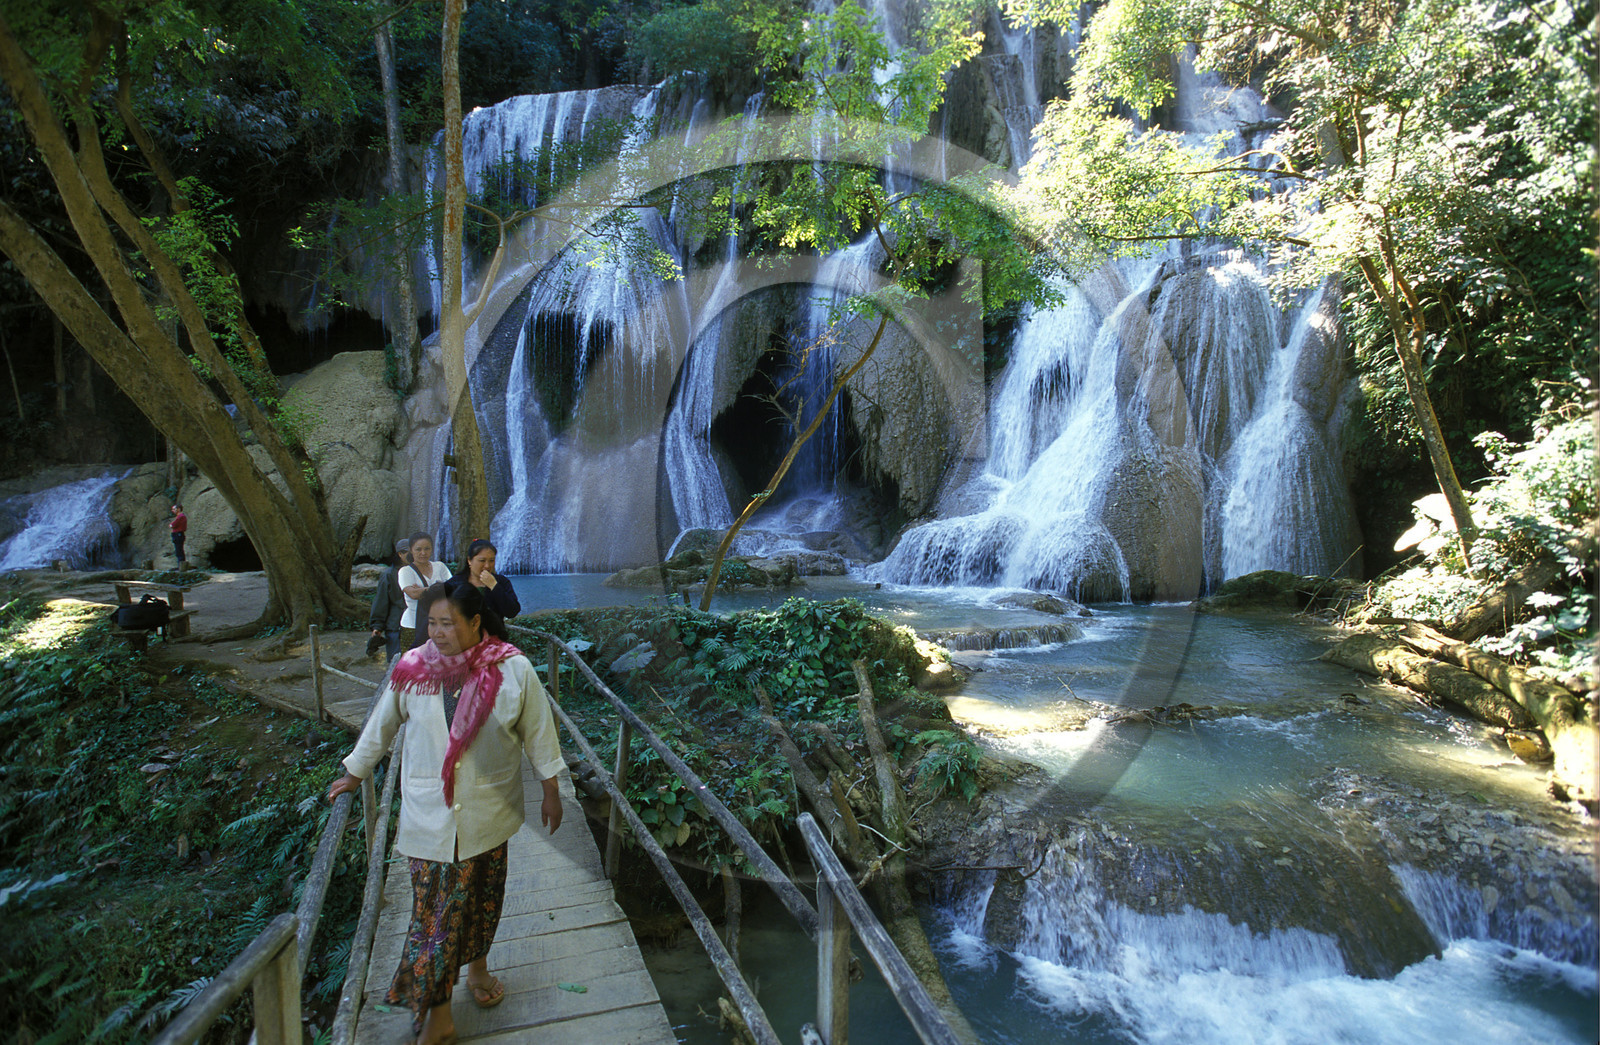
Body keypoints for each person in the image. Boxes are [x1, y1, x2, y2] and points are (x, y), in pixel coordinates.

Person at [328, 582, 564, 1045]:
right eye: (429, 623)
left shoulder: (512, 668)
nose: (435, 633)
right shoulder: (412, 668)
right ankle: (438, 1017)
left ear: (475, 622)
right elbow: (383, 723)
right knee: (434, 920)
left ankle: (478, 970)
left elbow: (539, 731)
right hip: (428, 815)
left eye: (446, 623)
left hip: (490, 811)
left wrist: (551, 789)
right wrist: (355, 772)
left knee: (483, 899)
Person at [396, 532, 451, 650]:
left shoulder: (440, 567)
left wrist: (424, 590)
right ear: (411, 550)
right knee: (412, 662)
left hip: (439, 624)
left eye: (427, 549)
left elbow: (452, 589)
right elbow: (413, 593)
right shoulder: (405, 571)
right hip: (413, 624)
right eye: (418, 549)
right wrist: (438, 587)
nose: (423, 553)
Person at [449, 538, 521, 621]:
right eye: (482, 560)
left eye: (491, 560)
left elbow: (512, 612)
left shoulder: (502, 582)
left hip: (494, 632)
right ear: (469, 561)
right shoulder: (454, 583)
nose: (487, 565)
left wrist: (494, 586)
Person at [368, 539, 412, 662]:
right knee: (396, 665)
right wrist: (377, 626)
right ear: (400, 554)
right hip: (396, 627)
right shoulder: (388, 575)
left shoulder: (420, 572)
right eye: (407, 552)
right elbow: (381, 601)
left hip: (417, 625)